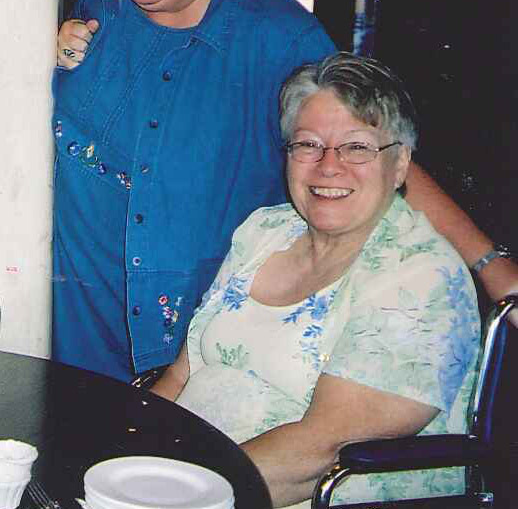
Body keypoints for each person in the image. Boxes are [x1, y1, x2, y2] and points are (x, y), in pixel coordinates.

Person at [54, 0, 518, 384]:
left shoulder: (279, 39)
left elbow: (372, 154)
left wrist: (491, 267)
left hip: (190, 339)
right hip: (72, 315)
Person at [151, 52, 481, 508]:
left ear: (401, 164)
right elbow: (180, 374)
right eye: (307, 145)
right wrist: (125, 459)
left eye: (357, 147)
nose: (328, 166)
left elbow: (322, 451)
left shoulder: (421, 277)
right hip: (195, 477)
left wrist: (178, 495)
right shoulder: (265, 231)